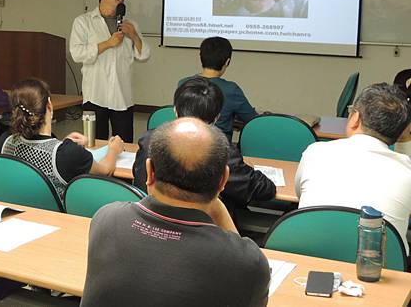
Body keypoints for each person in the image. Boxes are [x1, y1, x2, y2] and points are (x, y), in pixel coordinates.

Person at [82, 118, 270, 307]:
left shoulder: (106, 218)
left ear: (149, 171)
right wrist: (218, 206)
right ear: (223, 180)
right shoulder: (248, 262)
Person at [295, 83, 411, 254]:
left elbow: (299, 195)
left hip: (308, 260)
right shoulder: (407, 172)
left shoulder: (316, 152)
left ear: (355, 118)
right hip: (378, 271)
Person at [133, 77, 275, 212]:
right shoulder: (222, 151)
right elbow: (264, 189)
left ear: (175, 110)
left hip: (151, 221)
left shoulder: (149, 139)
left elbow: (138, 176)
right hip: (204, 229)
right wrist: (247, 169)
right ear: (217, 117)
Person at [1, 78, 124, 200]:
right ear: (49, 105)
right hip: (57, 217)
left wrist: (61, 143)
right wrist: (113, 149)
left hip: (20, 211)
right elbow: (105, 171)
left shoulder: (6, 141)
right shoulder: (67, 153)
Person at [70, 0, 150, 142]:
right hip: (95, 95)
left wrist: (134, 36)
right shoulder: (84, 21)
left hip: (122, 96)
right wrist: (107, 43)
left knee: (124, 145)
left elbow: (144, 55)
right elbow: (77, 53)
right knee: (93, 144)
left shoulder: (130, 25)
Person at [179, 36, 256, 141]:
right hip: (220, 150)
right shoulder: (231, 89)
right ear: (227, 62)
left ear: (201, 57)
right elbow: (252, 120)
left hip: (185, 144)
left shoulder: (183, 83)